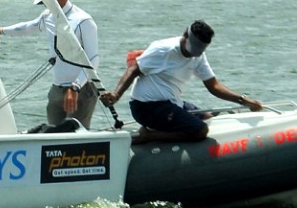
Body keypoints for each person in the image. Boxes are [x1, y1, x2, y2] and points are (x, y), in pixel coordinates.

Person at [101, 20, 263, 142]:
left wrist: (242, 100)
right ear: (185, 35)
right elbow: (133, 70)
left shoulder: (198, 56)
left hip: (172, 102)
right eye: (192, 50)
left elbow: (214, 86)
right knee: (200, 130)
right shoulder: (163, 49)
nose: (193, 55)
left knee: (208, 117)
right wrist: (116, 95)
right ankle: (149, 136)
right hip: (146, 107)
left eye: (199, 51)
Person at [0, 0, 100, 128]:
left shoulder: (83, 21)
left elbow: (94, 59)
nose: (46, 5)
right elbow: (28, 27)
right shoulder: (48, 16)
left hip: (82, 90)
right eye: (43, 2)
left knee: (74, 136)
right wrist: (0, 30)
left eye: (48, 0)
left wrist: (75, 87)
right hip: (57, 88)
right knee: (52, 135)